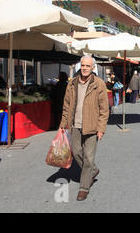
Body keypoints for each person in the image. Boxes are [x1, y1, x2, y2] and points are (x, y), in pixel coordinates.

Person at [59, 56, 109, 201]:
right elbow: (66, 105)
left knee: (88, 157)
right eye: (83, 65)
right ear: (80, 67)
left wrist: (101, 128)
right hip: (75, 125)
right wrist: (63, 125)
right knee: (76, 153)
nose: (85, 68)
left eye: (88, 66)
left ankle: (84, 188)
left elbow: (104, 109)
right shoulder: (72, 83)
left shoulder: (99, 84)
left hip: (92, 127)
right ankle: (94, 170)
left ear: (93, 68)